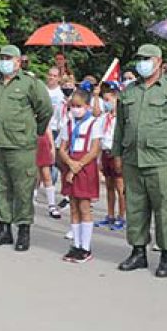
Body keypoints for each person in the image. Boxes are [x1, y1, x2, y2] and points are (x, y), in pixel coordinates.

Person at [113, 44, 167, 278]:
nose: (142, 63)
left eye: (146, 59)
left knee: (164, 209)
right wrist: (117, 154)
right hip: (132, 159)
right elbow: (120, 126)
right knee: (136, 208)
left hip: (162, 160)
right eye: (139, 59)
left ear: (159, 61)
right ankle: (138, 252)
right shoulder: (129, 90)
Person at [0, 44, 52, 252]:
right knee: (0, 187)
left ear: (18, 61)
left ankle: (23, 229)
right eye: (1, 58)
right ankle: (4, 228)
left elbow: (45, 109)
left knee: (23, 188)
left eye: (8, 58)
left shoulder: (30, 83)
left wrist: (34, 131)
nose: (3, 61)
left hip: (21, 144)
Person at [58, 87, 102, 262]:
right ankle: (76, 245)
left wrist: (78, 165)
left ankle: (86, 247)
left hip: (85, 166)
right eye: (73, 106)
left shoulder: (93, 123)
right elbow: (62, 148)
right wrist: (70, 164)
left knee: (84, 206)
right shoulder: (68, 123)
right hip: (71, 163)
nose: (75, 109)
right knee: (73, 206)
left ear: (87, 106)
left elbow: (94, 149)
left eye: (79, 105)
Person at [95, 82, 125, 231]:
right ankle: (110, 215)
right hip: (106, 153)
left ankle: (122, 216)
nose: (106, 103)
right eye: (104, 100)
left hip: (117, 154)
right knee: (109, 187)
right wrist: (99, 158)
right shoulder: (104, 117)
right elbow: (100, 138)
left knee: (121, 188)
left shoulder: (121, 119)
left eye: (108, 100)